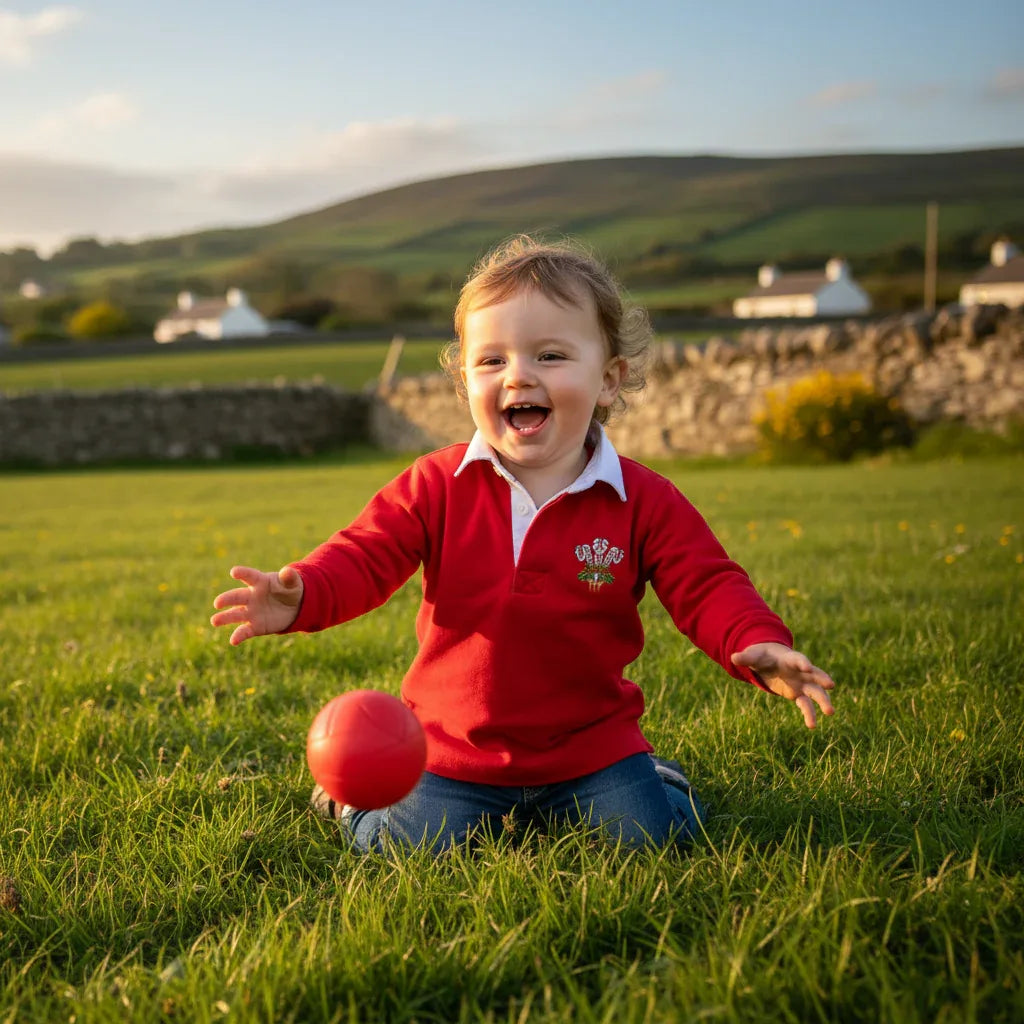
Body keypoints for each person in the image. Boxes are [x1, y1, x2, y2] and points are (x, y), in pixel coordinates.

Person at [210, 235, 835, 855]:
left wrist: (753, 640)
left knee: (650, 841)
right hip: (453, 751)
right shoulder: (436, 484)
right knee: (405, 850)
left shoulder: (642, 499)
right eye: (492, 361)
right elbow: (366, 552)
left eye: (551, 355)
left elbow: (706, 580)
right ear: (465, 382)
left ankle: (657, 779)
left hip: (592, 750)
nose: (519, 376)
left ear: (610, 379)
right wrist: (305, 592)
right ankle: (351, 799)